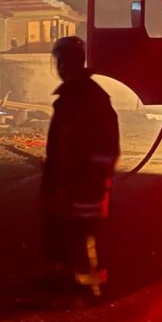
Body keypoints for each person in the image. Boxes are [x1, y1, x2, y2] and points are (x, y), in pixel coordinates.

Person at [41, 36, 119, 297]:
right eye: (59, 62)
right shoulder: (74, 96)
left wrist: (91, 178)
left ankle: (92, 288)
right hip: (68, 184)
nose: (61, 67)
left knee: (85, 236)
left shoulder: (87, 97)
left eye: (64, 61)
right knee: (66, 233)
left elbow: (106, 144)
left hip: (84, 186)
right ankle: (70, 282)